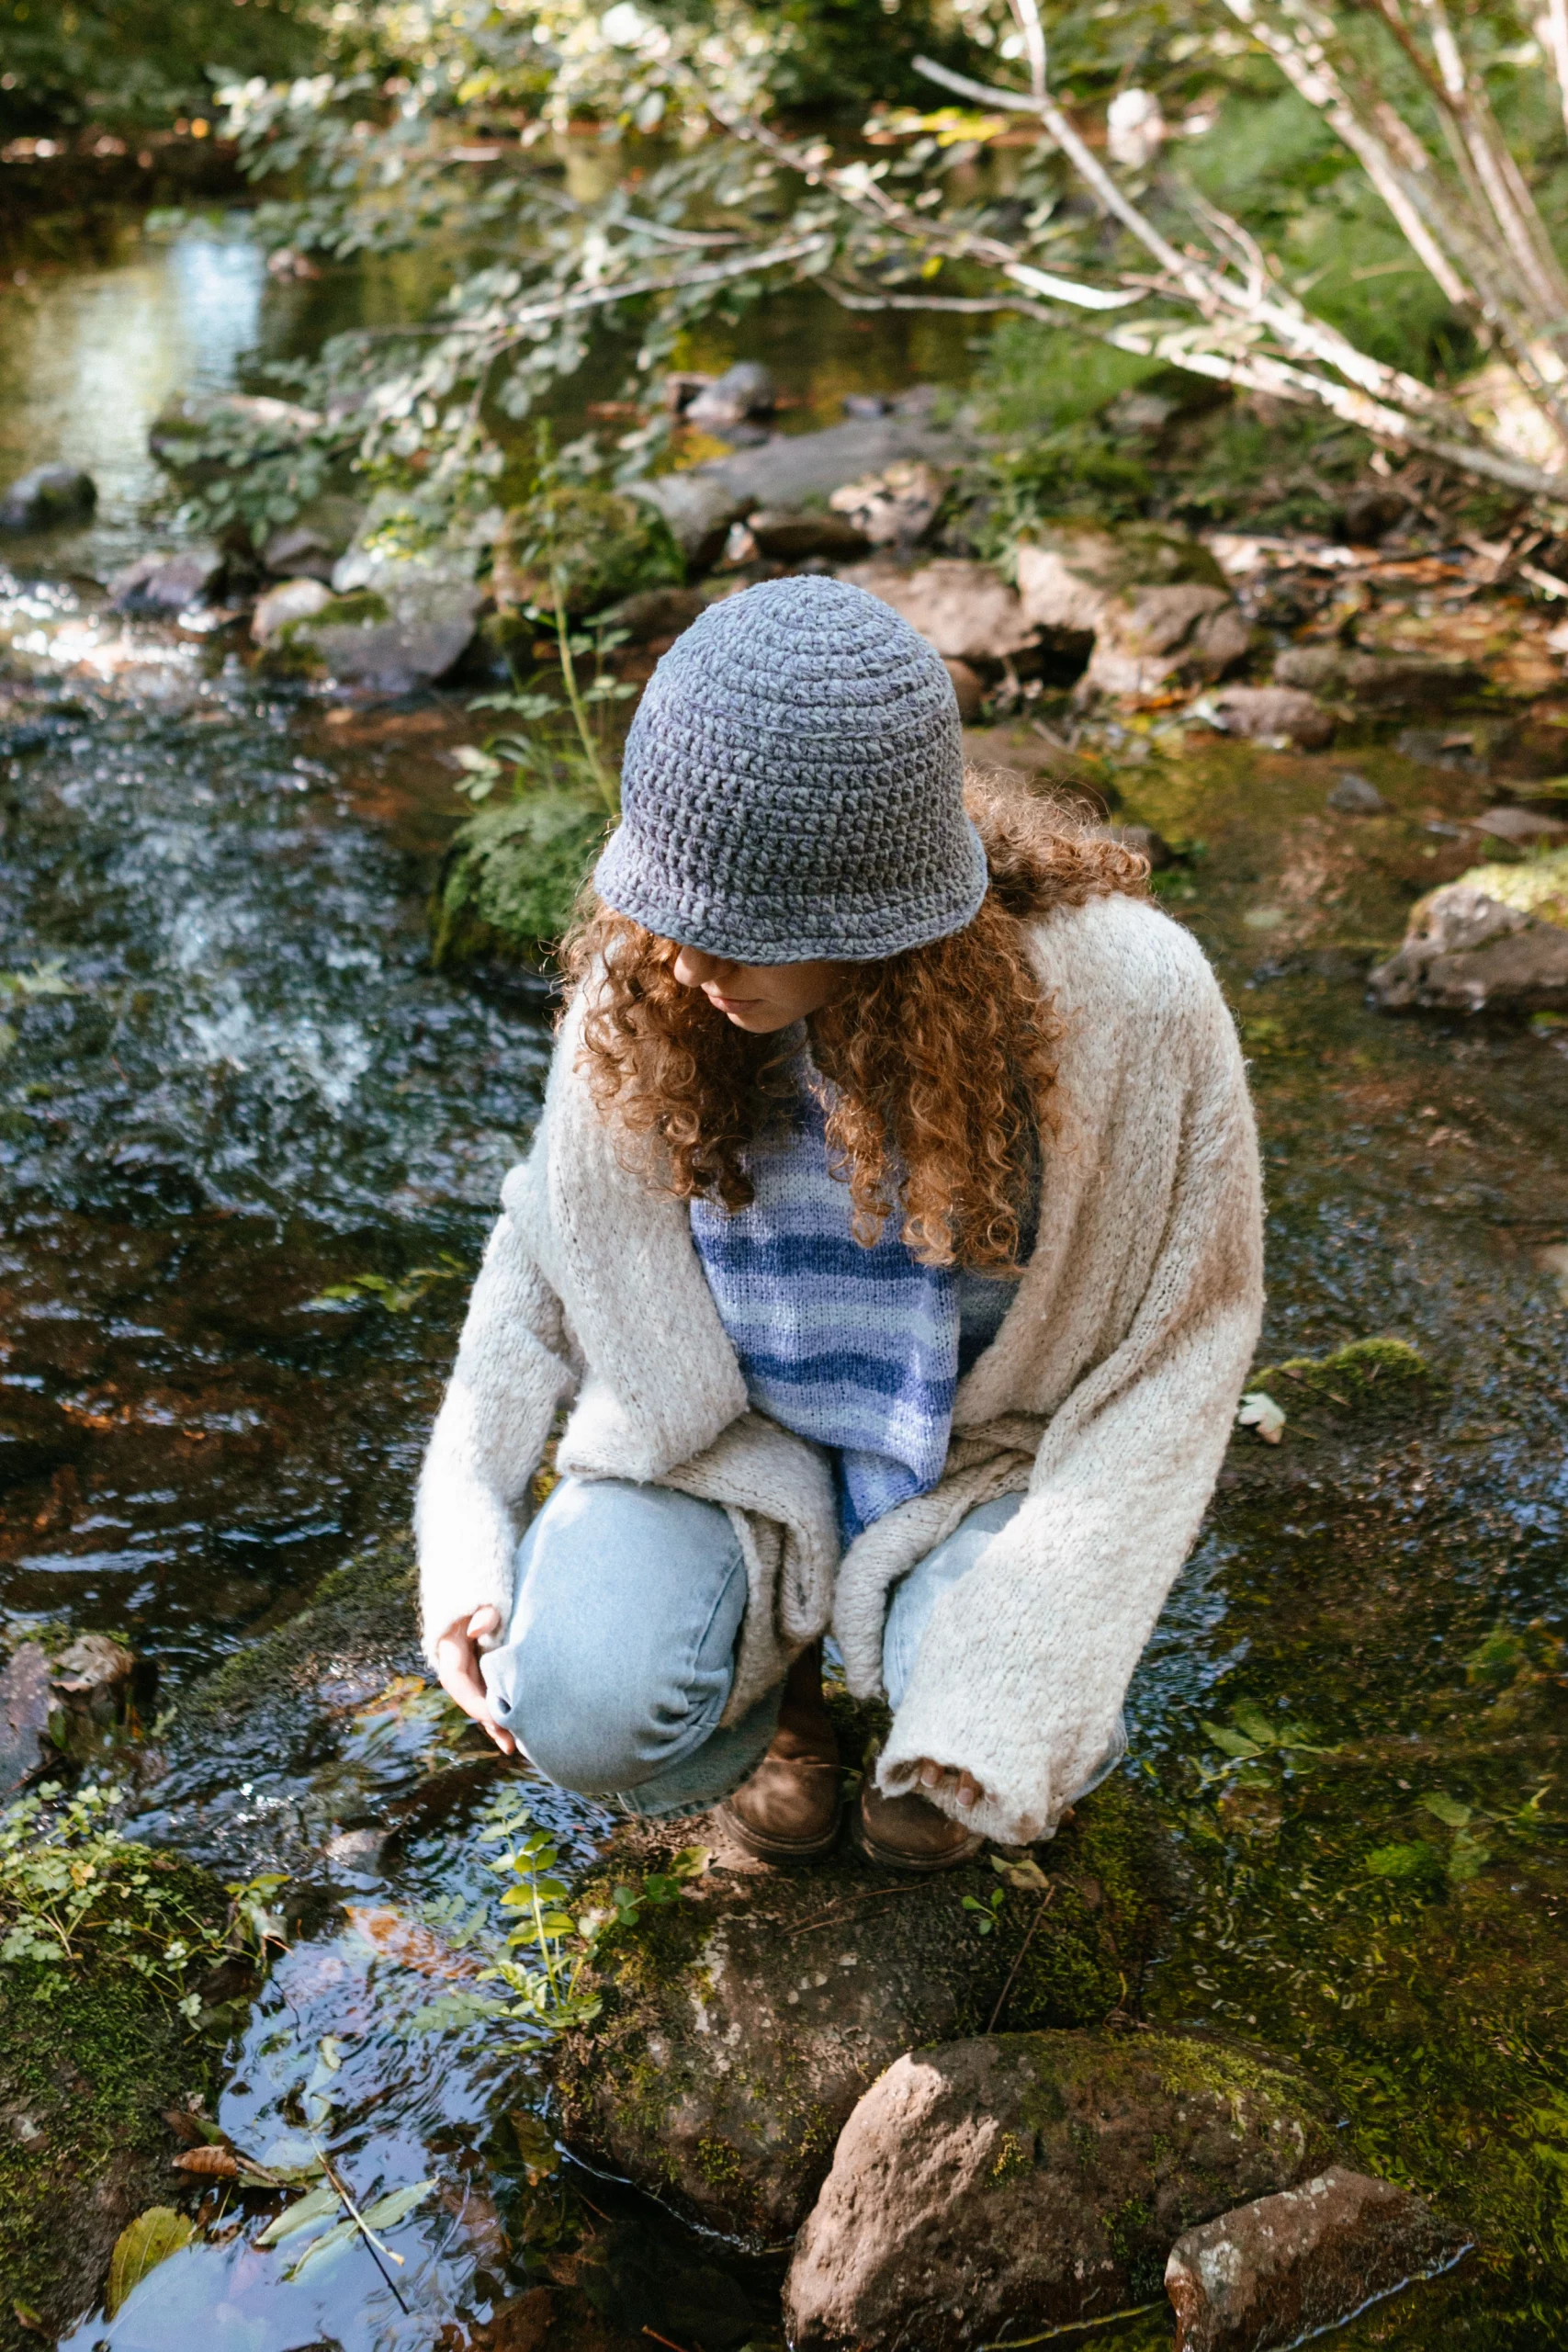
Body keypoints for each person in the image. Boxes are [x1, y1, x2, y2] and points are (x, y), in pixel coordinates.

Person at [419, 574, 1262, 1871]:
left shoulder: (1131, 1004)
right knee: (580, 1705)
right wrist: (469, 1526)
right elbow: (543, 1254)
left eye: (740, 934)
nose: (690, 965)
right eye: (673, 916)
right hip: (733, 1457)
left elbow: (1184, 1345)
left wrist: (1031, 1651)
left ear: (876, 915)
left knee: (1015, 1730)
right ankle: (786, 1714)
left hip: (987, 1464)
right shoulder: (644, 980)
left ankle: (928, 1666)